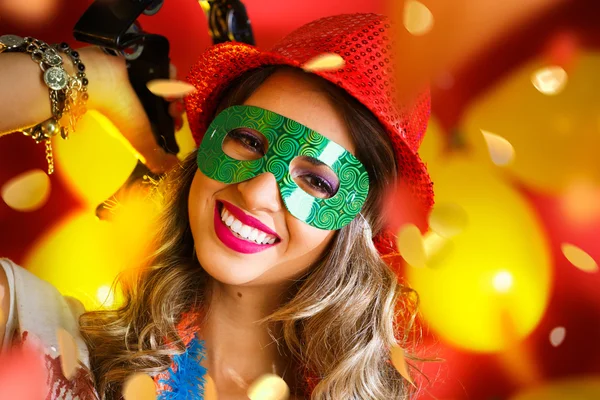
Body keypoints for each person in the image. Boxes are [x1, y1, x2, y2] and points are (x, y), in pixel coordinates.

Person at [0, 13, 434, 399]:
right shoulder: (55, 351)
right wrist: (89, 78)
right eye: (248, 140)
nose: (258, 192)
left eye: (316, 180)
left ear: (357, 226)